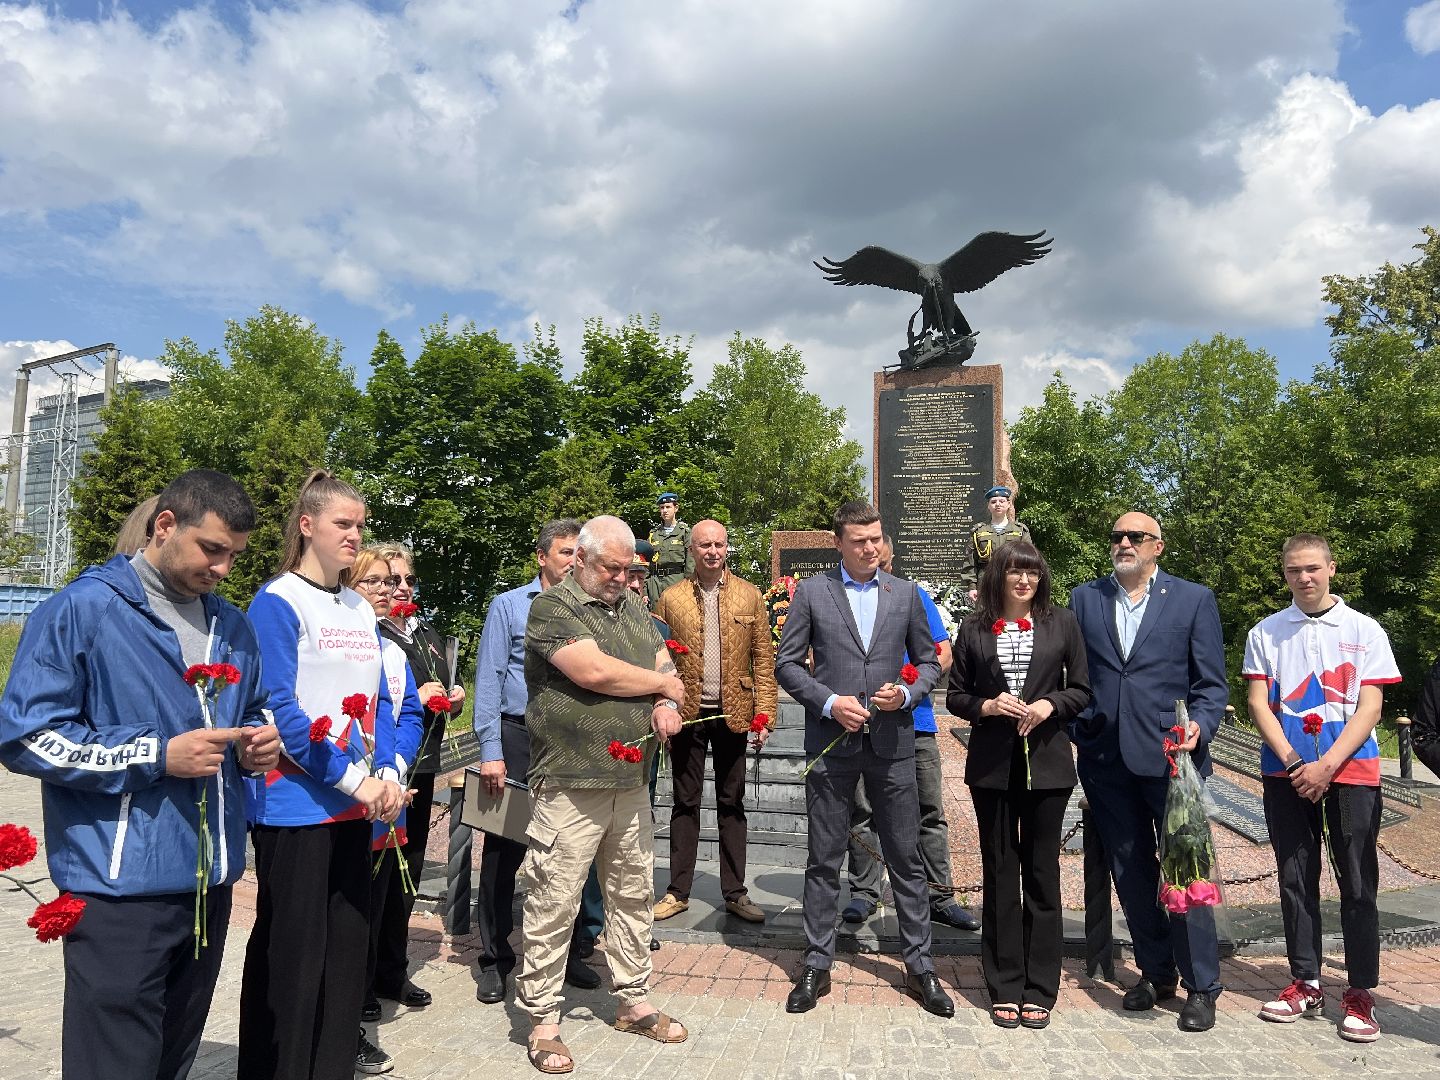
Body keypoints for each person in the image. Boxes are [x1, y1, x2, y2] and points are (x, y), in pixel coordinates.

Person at [0, 469, 280, 1080]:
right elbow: (25, 737)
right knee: (113, 1065)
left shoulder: (231, 626)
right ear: (165, 525)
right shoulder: (81, 610)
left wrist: (257, 744)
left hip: (209, 882)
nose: (224, 568)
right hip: (117, 886)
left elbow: (250, 708)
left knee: (171, 1060)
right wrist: (156, 756)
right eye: (212, 549)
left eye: (234, 555)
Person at [237, 470, 411, 1080]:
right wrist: (354, 780)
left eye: (361, 525)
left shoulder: (362, 606)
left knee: (345, 953)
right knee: (294, 954)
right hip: (296, 805)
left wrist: (386, 773)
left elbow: (378, 702)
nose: (355, 536)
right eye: (344, 524)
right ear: (307, 525)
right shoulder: (278, 600)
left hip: (353, 805)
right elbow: (282, 711)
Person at [517, 515, 689, 1073]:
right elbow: (591, 672)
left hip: (630, 780)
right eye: (610, 567)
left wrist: (668, 701)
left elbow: (664, 661)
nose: (620, 576)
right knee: (555, 899)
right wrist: (661, 685)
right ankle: (543, 1021)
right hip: (570, 782)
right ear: (580, 559)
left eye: (627, 568)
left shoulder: (634, 610)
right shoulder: (553, 609)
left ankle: (633, 1001)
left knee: (633, 893)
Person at [775, 501, 952, 1018]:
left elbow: (928, 661)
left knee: (905, 857)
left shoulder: (907, 593)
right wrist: (829, 702)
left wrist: (909, 692)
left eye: (876, 538)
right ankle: (816, 964)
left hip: (893, 745)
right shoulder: (812, 592)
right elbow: (788, 664)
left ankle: (921, 966)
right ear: (839, 543)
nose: (871, 547)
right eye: (860, 540)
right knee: (824, 859)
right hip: (833, 745)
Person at [1069, 512, 1228, 1033]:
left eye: (1135, 536)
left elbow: (1211, 684)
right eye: (1116, 535)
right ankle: (1157, 972)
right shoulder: (1085, 598)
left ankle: (1202, 984)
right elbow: (1073, 673)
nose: (1123, 543)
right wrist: (1080, 730)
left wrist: (1200, 728)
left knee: (1185, 872)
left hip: (1171, 759)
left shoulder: (1192, 600)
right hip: (1106, 760)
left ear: (1158, 545)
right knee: (1131, 870)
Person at [1244, 534, 1400, 1042]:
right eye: (1293, 570)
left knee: (1356, 881)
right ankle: (1305, 980)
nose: (1304, 578)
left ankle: (1359, 991)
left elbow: (1371, 707)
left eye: (1312, 568)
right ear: (1284, 574)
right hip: (1285, 771)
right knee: (1295, 875)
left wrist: (1327, 765)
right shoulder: (1266, 631)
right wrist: (1294, 762)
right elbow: (1259, 703)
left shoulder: (1364, 630)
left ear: (1332, 568)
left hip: (1351, 770)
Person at [947, 541, 1091, 1029]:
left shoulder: (1063, 623)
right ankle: (1005, 982)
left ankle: (1040, 986)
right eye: (1015, 572)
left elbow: (1082, 690)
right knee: (1001, 874)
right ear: (999, 577)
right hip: (991, 767)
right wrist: (986, 707)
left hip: (1048, 766)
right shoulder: (973, 627)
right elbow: (956, 695)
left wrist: (1051, 705)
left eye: (1032, 573)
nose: (1024, 581)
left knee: (1043, 876)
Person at [470, 520, 604, 1006]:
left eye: (578, 552)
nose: (573, 560)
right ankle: (494, 960)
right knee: (504, 854)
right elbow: (489, 679)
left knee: (567, 853)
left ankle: (563, 957)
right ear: (542, 556)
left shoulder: (589, 610)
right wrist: (491, 751)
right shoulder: (509, 606)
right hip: (517, 736)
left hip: (569, 740)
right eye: (565, 551)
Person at [844, 536, 979, 932]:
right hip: (860, 722)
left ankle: (938, 895)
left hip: (913, 722)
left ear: (890, 558)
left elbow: (943, 653)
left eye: (883, 562)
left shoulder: (913, 595)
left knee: (928, 812)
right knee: (862, 810)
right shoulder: (843, 597)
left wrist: (906, 687)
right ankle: (864, 891)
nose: (876, 567)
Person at [652, 519, 778, 924]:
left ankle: (735, 892)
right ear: (692, 549)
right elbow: (657, 658)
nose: (712, 551)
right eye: (704, 545)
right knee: (684, 802)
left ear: (727, 548)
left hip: (735, 713)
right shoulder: (671, 599)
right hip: (686, 713)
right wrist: (661, 705)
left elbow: (763, 659)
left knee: (732, 802)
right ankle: (678, 891)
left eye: (719, 544)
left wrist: (765, 714)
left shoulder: (750, 595)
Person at [366, 540, 464, 1018]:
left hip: (421, 766)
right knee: (375, 877)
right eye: (391, 580)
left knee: (408, 870)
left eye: (407, 580)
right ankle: (361, 979)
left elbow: (440, 681)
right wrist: (419, 695)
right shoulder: (373, 634)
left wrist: (452, 692)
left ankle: (392, 969)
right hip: (379, 770)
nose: (401, 588)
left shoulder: (426, 633)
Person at [348, 548, 427, 1047]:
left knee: (379, 898)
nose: (387, 590)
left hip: (386, 792)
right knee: (347, 905)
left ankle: (369, 986)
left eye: (393, 581)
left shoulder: (394, 651)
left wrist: (392, 770)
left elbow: (408, 716)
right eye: (373, 581)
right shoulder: (341, 643)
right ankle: (350, 1000)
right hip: (341, 792)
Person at [960, 485, 1031, 599]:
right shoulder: (978, 532)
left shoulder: (1020, 531)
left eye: (1002, 501)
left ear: (1008, 504)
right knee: (987, 616)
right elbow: (970, 561)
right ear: (988, 506)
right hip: (986, 583)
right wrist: (972, 587)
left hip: (1013, 582)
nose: (998, 504)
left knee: (1013, 615)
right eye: (993, 502)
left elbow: (1029, 560)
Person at [646, 492, 693, 606]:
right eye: (662, 508)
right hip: (655, 582)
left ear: (676, 508)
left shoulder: (684, 532)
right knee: (655, 615)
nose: (665, 510)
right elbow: (647, 563)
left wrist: (689, 586)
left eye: (668, 507)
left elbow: (690, 563)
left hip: (676, 580)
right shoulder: (654, 534)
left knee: (676, 614)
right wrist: (644, 591)